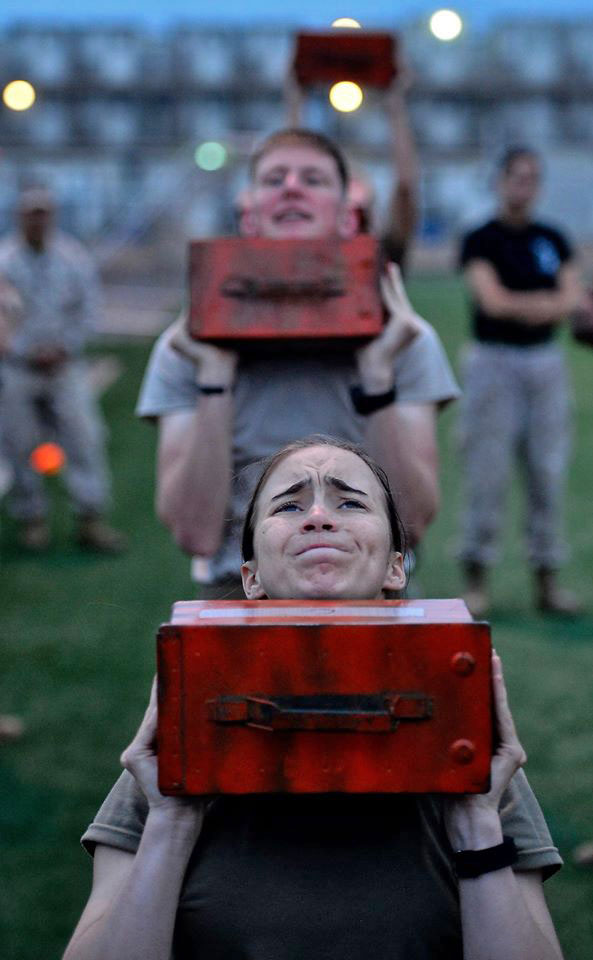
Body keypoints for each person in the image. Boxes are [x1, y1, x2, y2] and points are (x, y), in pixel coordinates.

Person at [64, 437, 564, 960]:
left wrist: (475, 820)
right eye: (289, 505)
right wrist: (172, 820)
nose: (320, 516)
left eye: (350, 502)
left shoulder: (464, 743)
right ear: (250, 577)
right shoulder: (175, 746)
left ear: (396, 568)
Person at [137, 129, 459, 598]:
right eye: (274, 179)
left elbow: (410, 526)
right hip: (240, 586)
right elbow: (195, 534)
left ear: (349, 217)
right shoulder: (185, 346)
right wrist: (214, 377)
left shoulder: (405, 339)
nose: (291, 186)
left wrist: (377, 375)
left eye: (313, 178)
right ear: (248, 215)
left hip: (372, 588)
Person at [458, 148, 584, 616]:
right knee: (485, 471)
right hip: (494, 362)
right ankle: (476, 577)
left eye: (532, 178)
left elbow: (573, 297)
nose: (523, 187)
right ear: (499, 182)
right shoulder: (481, 239)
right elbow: (493, 302)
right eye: (516, 177)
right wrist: (548, 305)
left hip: (544, 362)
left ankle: (548, 581)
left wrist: (532, 304)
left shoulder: (553, 237)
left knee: (547, 472)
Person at [0, 187, 126, 552]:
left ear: (52, 215)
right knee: (19, 441)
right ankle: (32, 518)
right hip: (17, 368)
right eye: (30, 213)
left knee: (85, 437)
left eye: (43, 212)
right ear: (19, 216)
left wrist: (63, 347)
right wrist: (24, 350)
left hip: (65, 365)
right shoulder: (5, 261)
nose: (37, 220)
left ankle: (90, 517)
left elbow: (89, 310)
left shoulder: (73, 258)